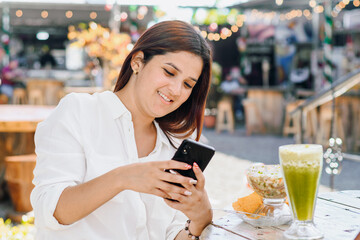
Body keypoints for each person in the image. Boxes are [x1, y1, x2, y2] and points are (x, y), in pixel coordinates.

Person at [31, 20, 213, 240]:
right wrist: (123, 178)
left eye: (187, 85)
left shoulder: (174, 145)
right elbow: (52, 212)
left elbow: (171, 234)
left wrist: (201, 218)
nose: (175, 90)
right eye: (169, 72)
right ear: (138, 62)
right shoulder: (79, 112)